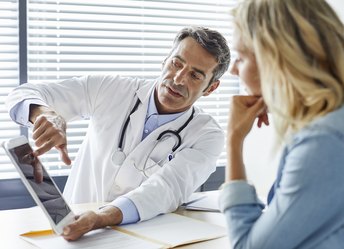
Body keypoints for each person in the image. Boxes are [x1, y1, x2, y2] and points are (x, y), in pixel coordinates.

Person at [6, 26, 231, 240]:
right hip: (72, 233)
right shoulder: (111, 89)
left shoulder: (207, 135)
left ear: (211, 87)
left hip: (143, 239)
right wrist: (46, 114)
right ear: (165, 60)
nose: (179, 79)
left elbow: (167, 189)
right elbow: (22, 93)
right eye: (176, 63)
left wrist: (100, 218)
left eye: (195, 75)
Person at [219, 0, 344, 248]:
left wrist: (233, 140)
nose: (233, 72)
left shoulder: (329, 142)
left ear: (277, 59)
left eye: (240, 57)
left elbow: (248, 246)